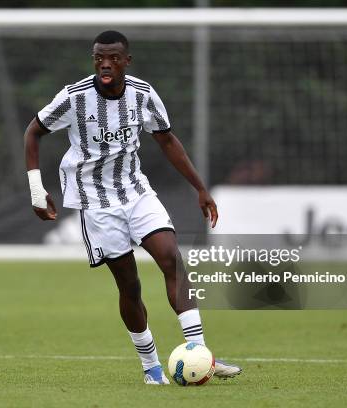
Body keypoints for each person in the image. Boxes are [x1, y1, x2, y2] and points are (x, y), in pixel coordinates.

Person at [24, 30, 242, 385]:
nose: (104, 64)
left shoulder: (143, 94)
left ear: (127, 60)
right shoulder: (74, 97)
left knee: (172, 260)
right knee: (130, 285)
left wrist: (200, 187)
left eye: (112, 58)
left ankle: (201, 354)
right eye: (98, 58)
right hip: (95, 202)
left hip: (135, 191)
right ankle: (151, 367)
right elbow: (32, 132)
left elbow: (167, 139)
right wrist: (37, 189)